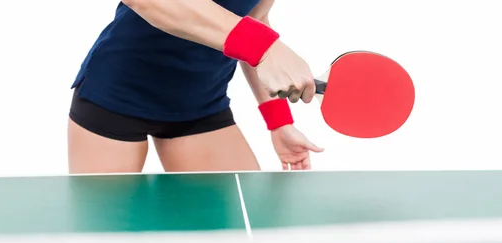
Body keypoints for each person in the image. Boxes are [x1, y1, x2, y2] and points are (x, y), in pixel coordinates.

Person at [67, 0, 324, 174]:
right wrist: (263, 46)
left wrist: (279, 122)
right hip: (117, 96)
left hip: (201, 103)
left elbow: (253, 20)